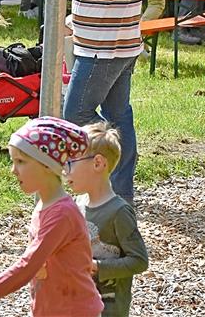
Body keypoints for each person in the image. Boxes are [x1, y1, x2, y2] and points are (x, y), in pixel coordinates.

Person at [0, 118, 102, 317]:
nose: (13, 170)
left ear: (47, 165)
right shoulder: (46, 205)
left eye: (20, 161)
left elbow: (28, 267)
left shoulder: (62, 215)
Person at [49, 0, 143, 201]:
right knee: (118, 117)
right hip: (114, 45)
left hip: (104, 50)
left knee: (75, 116)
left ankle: (94, 183)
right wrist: (74, 18)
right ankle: (119, 190)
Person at [63, 122, 148, 317]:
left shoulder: (118, 212)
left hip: (109, 308)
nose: (64, 171)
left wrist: (98, 267)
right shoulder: (79, 203)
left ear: (98, 163)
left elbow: (139, 261)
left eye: (70, 163)